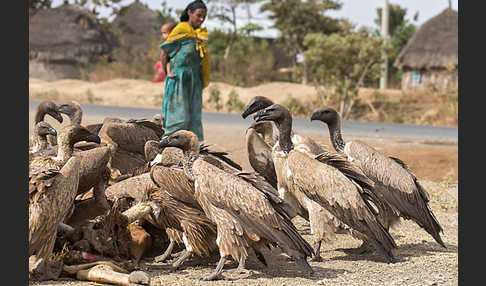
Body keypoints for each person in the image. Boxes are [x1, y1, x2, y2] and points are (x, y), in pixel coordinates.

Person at [159, 0, 209, 142]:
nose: (201, 19)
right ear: (189, 13)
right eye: (199, 15)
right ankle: (168, 147)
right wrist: (167, 72)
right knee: (179, 117)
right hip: (179, 78)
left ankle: (192, 149)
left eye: (204, 17)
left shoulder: (199, 34)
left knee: (194, 116)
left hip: (194, 79)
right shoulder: (181, 29)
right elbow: (164, 52)